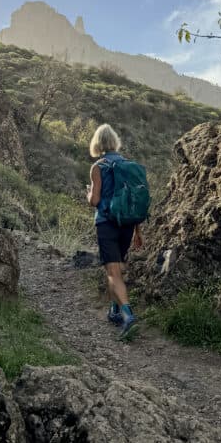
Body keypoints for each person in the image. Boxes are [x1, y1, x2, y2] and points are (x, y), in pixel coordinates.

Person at [86, 123, 143, 339]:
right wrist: (138, 231)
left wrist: (88, 194)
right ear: (115, 142)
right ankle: (114, 310)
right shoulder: (128, 165)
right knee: (116, 268)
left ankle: (128, 316)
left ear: (97, 143)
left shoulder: (98, 167)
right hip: (127, 224)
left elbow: (95, 201)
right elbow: (133, 201)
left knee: (113, 271)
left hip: (107, 223)